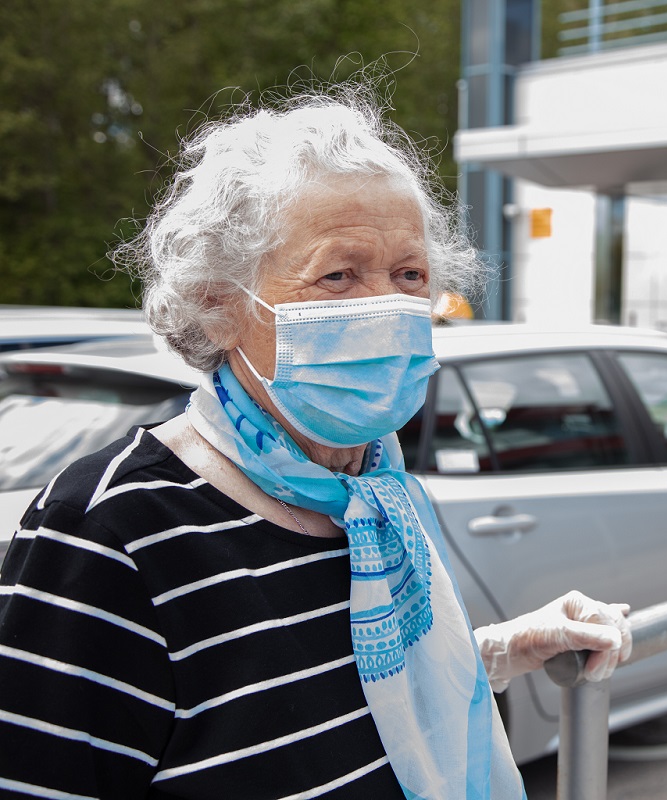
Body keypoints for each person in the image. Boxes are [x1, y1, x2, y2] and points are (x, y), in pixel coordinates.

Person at [0, 90, 631, 799]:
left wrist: (503, 648)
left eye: (409, 276)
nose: (386, 307)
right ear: (219, 307)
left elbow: (337, 700)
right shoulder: (109, 531)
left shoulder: (375, 495)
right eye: (338, 275)